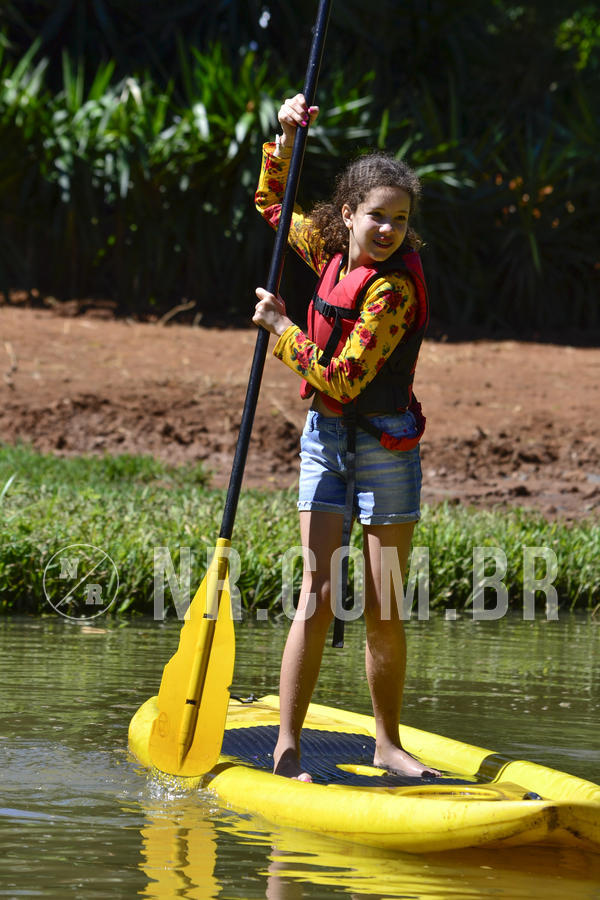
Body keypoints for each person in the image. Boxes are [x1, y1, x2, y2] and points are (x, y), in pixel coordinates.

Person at [253, 94, 439, 782]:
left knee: (384, 598)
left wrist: (280, 331)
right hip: (326, 441)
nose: (388, 229)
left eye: (400, 220)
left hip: (385, 444)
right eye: (377, 216)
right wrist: (284, 134)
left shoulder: (394, 291)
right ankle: (286, 744)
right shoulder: (327, 246)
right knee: (316, 594)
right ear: (349, 215)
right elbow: (273, 210)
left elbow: (343, 376)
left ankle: (387, 744)